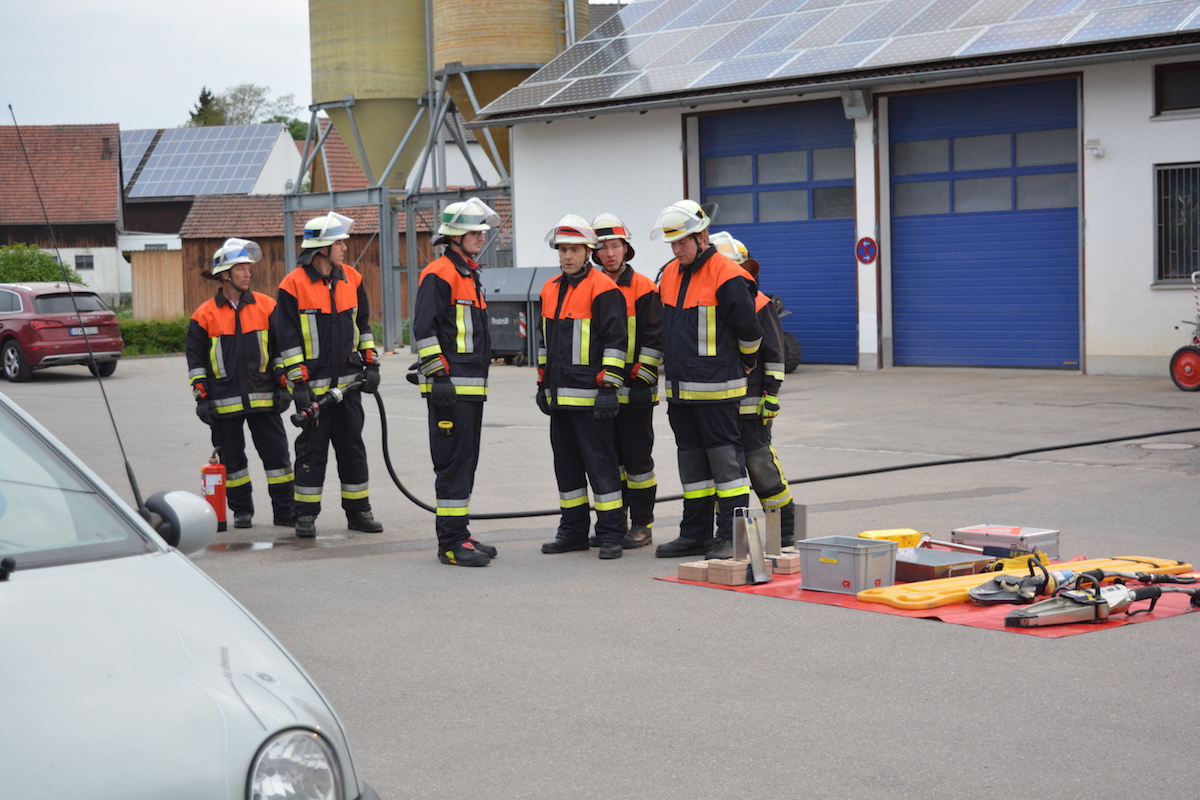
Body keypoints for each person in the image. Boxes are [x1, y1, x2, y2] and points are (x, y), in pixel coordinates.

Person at [650, 201, 763, 560]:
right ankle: (695, 534)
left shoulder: (727, 274)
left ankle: (733, 537)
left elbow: (750, 333)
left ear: (702, 236)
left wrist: (745, 364)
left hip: (718, 392)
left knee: (727, 468)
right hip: (681, 393)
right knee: (693, 469)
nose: (676, 249)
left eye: (682, 241)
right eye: (672, 243)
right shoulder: (669, 274)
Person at [276, 212, 383, 538]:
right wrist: (298, 385)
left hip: (349, 386)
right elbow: (287, 340)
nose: (344, 249)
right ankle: (305, 515)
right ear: (322, 248)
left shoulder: (353, 278)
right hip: (313, 390)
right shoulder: (292, 285)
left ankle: (359, 512)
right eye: (339, 243)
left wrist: (371, 364)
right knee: (312, 451)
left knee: (353, 448)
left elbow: (363, 326)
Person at [412, 198, 501, 567]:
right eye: (474, 231)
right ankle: (450, 543)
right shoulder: (440, 273)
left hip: (469, 389)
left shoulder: (467, 274)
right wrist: (439, 376)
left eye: (481, 230)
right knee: (452, 465)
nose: (481, 236)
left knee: (465, 462)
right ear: (454, 236)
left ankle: (459, 531)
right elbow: (424, 329)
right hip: (450, 390)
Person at [537, 215, 629, 560]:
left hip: (592, 401)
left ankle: (611, 533)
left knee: (601, 467)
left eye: (574, 250)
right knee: (567, 469)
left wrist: (608, 388)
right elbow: (545, 344)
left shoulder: (603, 288)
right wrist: (542, 384)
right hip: (559, 398)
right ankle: (573, 531)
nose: (567, 256)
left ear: (588, 251)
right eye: (562, 250)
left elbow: (616, 343)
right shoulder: (549, 289)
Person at [187, 238, 295, 530]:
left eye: (248, 268)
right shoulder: (203, 315)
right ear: (224, 275)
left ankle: (285, 511)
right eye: (241, 268)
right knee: (233, 463)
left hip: (265, 398)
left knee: (278, 459)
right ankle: (242, 512)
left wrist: (283, 386)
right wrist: (202, 398)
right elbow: (196, 362)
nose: (248, 273)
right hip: (223, 402)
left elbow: (280, 350)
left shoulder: (267, 306)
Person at [711, 232, 796, 547]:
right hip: (719, 405)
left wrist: (770, 395)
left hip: (751, 406)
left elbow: (774, 354)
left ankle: (784, 529)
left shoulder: (760, 303)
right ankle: (730, 535)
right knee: (724, 473)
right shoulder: (709, 305)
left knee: (760, 466)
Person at [588, 212, 662, 550]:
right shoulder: (591, 285)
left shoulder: (643, 287)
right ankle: (615, 524)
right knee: (610, 462)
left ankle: (642, 525)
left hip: (634, 393)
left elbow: (654, 337)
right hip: (603, 392)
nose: (609, 253)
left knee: (637, 463)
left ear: (626, 249)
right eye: (603, 247)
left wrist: (644, 380)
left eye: (615, 246)